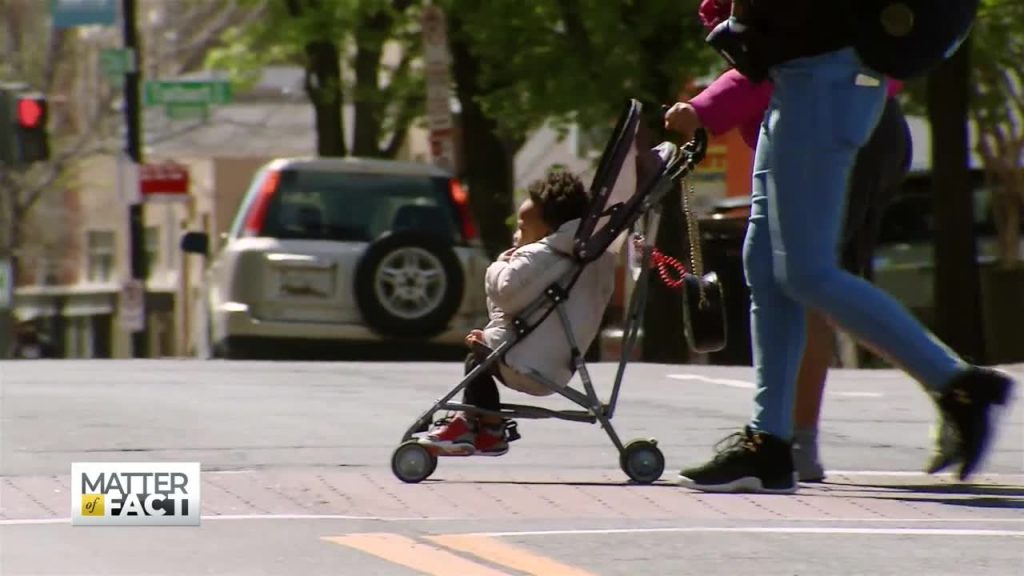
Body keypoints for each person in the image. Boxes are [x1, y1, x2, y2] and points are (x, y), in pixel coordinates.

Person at [668, 0, 1015, 494]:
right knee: (765, 268)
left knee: (806, 272)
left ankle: (960, 385)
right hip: (799, 79)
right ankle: (769, 442)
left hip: (825, 81)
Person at [666, 69, 913, 481]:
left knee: (806, 280)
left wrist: (703, 109)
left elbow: (776, 58)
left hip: (839, 128)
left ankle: (794, 442)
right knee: (802, 280)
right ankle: (783, 440)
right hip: (853, 122)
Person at [419, 170, 617, 456]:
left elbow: (505, 292)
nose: (516, 235)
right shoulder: (594, 258)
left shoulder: (545, 255)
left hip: (528, 366)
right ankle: (488, 428)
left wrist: (500, 262)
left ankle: (475, 425)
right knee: (483, 349)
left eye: (523, 227)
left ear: (548, 227)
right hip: (558, 365)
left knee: (478, 355)